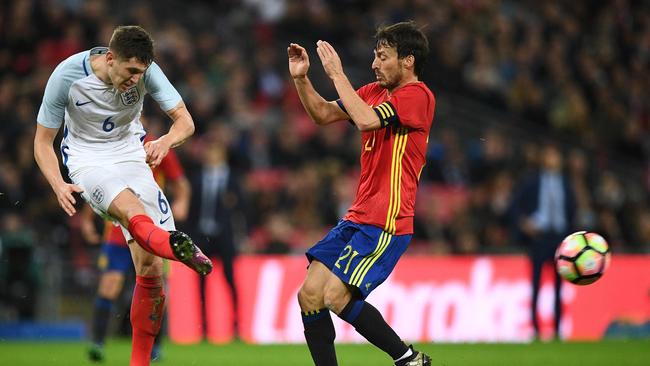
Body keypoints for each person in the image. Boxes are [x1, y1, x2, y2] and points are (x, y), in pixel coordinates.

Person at [33, 25, 212, 366]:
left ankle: (139, 362)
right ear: (110, 58)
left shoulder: (147, 71)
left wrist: (165, 142)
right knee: (130, 209)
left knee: (150, 271)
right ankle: (175, 245)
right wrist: (58, 183)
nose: (135, 80)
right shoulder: (66, 76)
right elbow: (42, 142)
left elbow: (185, 122)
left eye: (140, 73)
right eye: (130, 71)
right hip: (87, 161)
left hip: (131, 154)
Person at [288, 21, 435, 366]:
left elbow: (368, 121)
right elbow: (323, 114)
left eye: (383, 57)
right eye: (374, 55)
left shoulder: (418, 96)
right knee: (309, 294)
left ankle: (407, 359)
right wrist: (301, 78)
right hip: (357, 216)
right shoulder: (371, 92)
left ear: (408, 61)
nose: (374, 64)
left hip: (387, 221)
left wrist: (337, 74)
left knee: (336, 296)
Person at [84, 132, 191, 362]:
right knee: (110, 285)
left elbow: (180, 183)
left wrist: (182, 202)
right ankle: (98, 342)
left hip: (153, 229)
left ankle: (155, 347)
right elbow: (92, 182)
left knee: (158, 287)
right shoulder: (106, 141)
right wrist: (86, 219)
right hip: (117, 233)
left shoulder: (155, 144)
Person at [510, 142, 576, 340]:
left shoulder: (566, 183)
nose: (552, 160)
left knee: (559, 286)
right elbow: (515, 206)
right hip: (539, 238)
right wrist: (523, 224)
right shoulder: (532, 182)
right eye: (548, 155)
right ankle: (536, 329)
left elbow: (572, 209)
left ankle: (557, 329)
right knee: (536, 285)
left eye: (554, 156)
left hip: (560, 239)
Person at [184, 135, 243, 338]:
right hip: (202, 236)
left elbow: (242, 208)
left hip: (224, 236)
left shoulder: (232, 178)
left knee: (229, 279)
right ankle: (204, 328)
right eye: (209, 152)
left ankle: (236, 325)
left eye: (215, 152)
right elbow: (191, 210)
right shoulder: (197, 178)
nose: (212, 156)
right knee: (201, 283)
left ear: (222, 155)